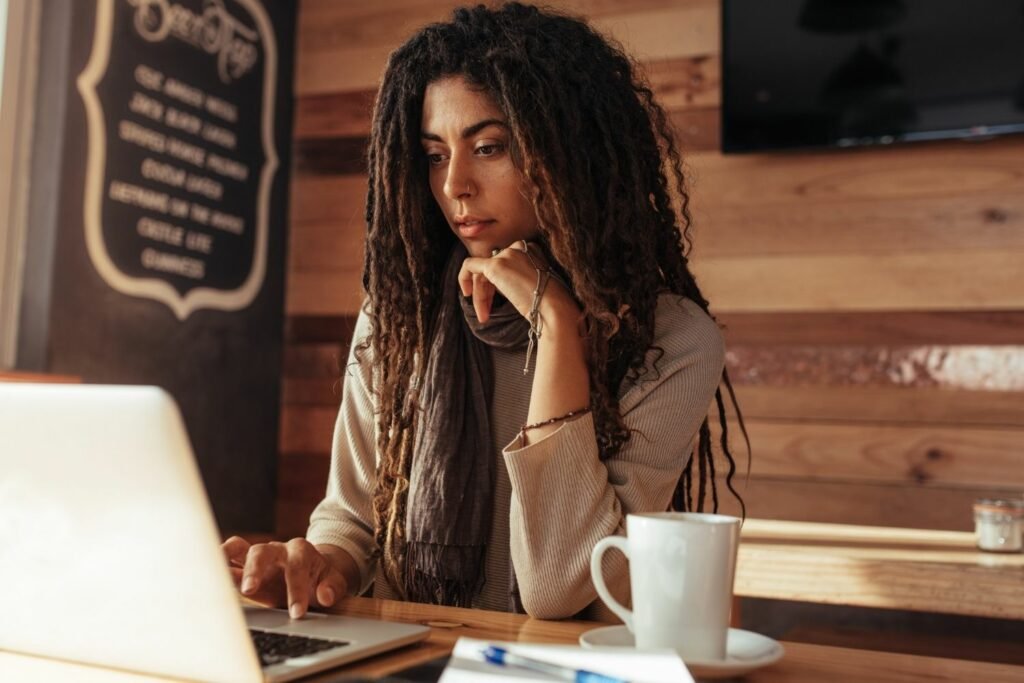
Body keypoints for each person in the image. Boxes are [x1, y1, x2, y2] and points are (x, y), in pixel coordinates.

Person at [223, 1, 746, 622]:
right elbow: (353, 521)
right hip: (409, 661)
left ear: (570, 152)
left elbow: (560, 585)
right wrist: (317, 569)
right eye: (436, 154)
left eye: (490, 147)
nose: (454, 186)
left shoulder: (671, 340)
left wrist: (555, 327)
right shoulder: (400, 318)